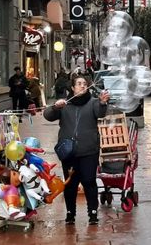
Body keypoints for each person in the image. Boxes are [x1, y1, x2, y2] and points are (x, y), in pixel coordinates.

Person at [43, 76, 110, 225]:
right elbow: (47, 116)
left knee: (89, 181)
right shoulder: (65, 104)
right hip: (69, 152)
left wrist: (103, 102)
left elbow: (100, 113)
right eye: (79, 84)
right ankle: (70, 213)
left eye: (84, 84)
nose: (82, 86)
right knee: (71, 184)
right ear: (72, 88)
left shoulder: (93, 102)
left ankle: (92, 213)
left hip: (89, 150)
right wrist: (55, 107)